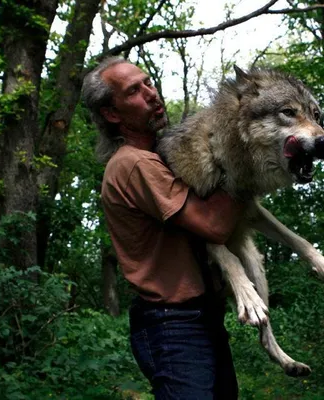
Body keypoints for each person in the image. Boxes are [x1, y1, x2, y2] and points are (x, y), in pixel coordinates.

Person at [82, 57, 244, 399]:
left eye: (148, 83)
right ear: (112, 114)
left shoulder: (156, 157)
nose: (151, 94)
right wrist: (243, 161)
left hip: (196, 319)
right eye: (134, 92)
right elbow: (214, 226)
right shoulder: (133, 164)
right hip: (174, 325)